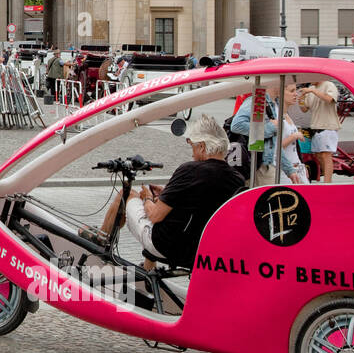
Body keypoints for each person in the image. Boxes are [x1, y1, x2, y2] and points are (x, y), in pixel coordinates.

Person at [99, 114, 246, 270]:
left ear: (202, 146)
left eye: (193, 146)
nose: (192, 153)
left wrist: (148, 198)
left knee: (127, 194)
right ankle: (148, 271)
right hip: (203, 252)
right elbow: (200, 201)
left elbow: (155, 216)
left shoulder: (190, 170)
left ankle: (101, 241)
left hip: (168, 246)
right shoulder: (237, 179)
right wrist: (166, 195)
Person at [299, 80, 341, 183]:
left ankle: (327, 183)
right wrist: (301, 98)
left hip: (327, 126)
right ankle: (326, 180)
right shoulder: (311, 88)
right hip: (315, 127)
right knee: (319, 155)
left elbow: (329, 99)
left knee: (325, 155)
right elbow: (304, 109)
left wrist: (312, 91)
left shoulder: (328, 85)